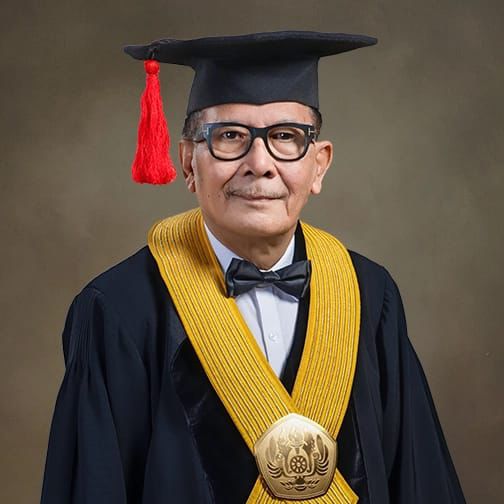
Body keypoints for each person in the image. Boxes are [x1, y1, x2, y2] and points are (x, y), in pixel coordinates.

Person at [40, 31, 466, 503]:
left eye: (285, 137)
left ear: (319, 165)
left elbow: (420, 481)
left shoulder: (370, 293)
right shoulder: (118, 311)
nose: (259, 163)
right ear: (188, 161)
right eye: (230, 137)